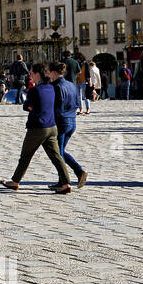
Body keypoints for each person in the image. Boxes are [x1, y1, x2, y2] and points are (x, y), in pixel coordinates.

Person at [1, 63, 71, 193]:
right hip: (51, 127)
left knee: (25, 156)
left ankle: (15, 181)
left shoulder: (34, 90)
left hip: (37, 128)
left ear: (38, 74)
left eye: (32, 73)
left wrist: (31, 106)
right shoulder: (51, 88)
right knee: (56, 156)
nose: (30, 75)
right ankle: (66, 183)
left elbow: (26, 106)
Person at [48, 60, 88, 188]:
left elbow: (56, 107)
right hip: (72, 121)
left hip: (61, 122)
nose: (48, 75)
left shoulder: (55, 86)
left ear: (54, 73)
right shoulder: (71, 85)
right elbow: (77, 103)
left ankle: (76, 173)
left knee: (57, 154)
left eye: (49, 72)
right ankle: (64, 179)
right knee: (60, 151)